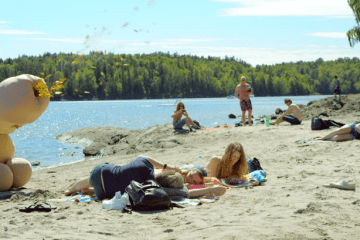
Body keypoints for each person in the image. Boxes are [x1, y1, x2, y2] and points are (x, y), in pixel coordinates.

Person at [65, 156, 226, 199]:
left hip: (102, 172)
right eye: (192, 177)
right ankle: (89, 191)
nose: (189, 180)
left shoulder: (144, 164)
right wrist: (212, 189)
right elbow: (187, 193)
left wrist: (167, 167)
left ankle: (72, 189)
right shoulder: (154, 187)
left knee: (93, 177)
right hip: (104, 193)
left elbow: (146, 157)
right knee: (117, 188)